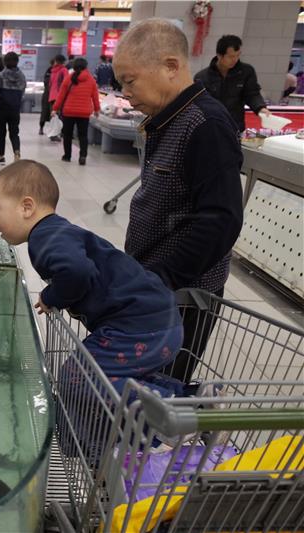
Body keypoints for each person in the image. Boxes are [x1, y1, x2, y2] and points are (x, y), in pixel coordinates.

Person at [0, 160, 183, 458]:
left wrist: (53, 296)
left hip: (139, 324)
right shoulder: (58, 231)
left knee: (79, 377)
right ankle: (193, 401)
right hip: (155, 318)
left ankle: (169, 419)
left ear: (27, 207)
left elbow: (77, 272)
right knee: (116, 375)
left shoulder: (44, 238)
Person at [114, 18, 244, 384]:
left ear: (171, 66)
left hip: (183, 296)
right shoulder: (166, 118)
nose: (124, 91)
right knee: (130, 390)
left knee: (157, 393)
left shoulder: (206, 125)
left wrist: (162, 277)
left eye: (130, 80)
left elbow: (222, 219)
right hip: (154, 284)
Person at [193, 34, 268, 132]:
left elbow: (252, 94)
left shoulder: (246, 72)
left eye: (238, 55)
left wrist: (260, 108)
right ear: (219, 55)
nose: (235, 60)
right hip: (210, 128)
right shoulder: (202, 77)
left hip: (235, 127)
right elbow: (198, 104)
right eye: (231, 56)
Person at [52, 57, 100, 165]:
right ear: (86, 66)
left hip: (69, 111)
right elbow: (95, 97)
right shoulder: (91, 80)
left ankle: (67, 156)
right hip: (84, 113)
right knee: (83, 136)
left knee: (67, 135)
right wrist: (97, 110)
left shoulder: (69, 78)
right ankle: (82, 156)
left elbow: (61, 95)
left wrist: (55, 108)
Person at [0, 52, 26, 164]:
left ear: (4, 62)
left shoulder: (1, 76)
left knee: (2, 132)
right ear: (17, 62)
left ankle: (1, 156)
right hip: (15, 108)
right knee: (14, 132)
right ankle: (16, 152)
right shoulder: (21, 76)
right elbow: (23, 92)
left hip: (3, 107)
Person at [47, 54, 68, 142]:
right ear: (64, 61)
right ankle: (56, 134)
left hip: (52, 95)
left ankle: (53, 133)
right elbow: (66, 82)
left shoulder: (53, 70)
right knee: (60, 116)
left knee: (54, 116)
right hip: (60, 95)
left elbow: (50, 84)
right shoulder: (63, 70)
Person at [38, 59, 54, 136]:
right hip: (48, 94)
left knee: (49, 113)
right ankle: (41, 128)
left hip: (50, 94)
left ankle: (52, 131)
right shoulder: (50, 70)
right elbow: (46, 82)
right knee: (45, 112)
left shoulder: (52, 70)